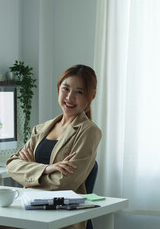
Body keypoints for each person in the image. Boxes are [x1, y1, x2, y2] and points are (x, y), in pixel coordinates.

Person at [6, 64, 102, 229]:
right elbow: (12, 165)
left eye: (79, 92)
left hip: (62, 217)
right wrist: (47, 169)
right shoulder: (41, 129)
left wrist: (31, 171)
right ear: (58, 89)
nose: (70, 97)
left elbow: (66, 182)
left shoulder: (89, 132)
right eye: (66, 89)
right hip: (30, 212)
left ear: (91, 96)